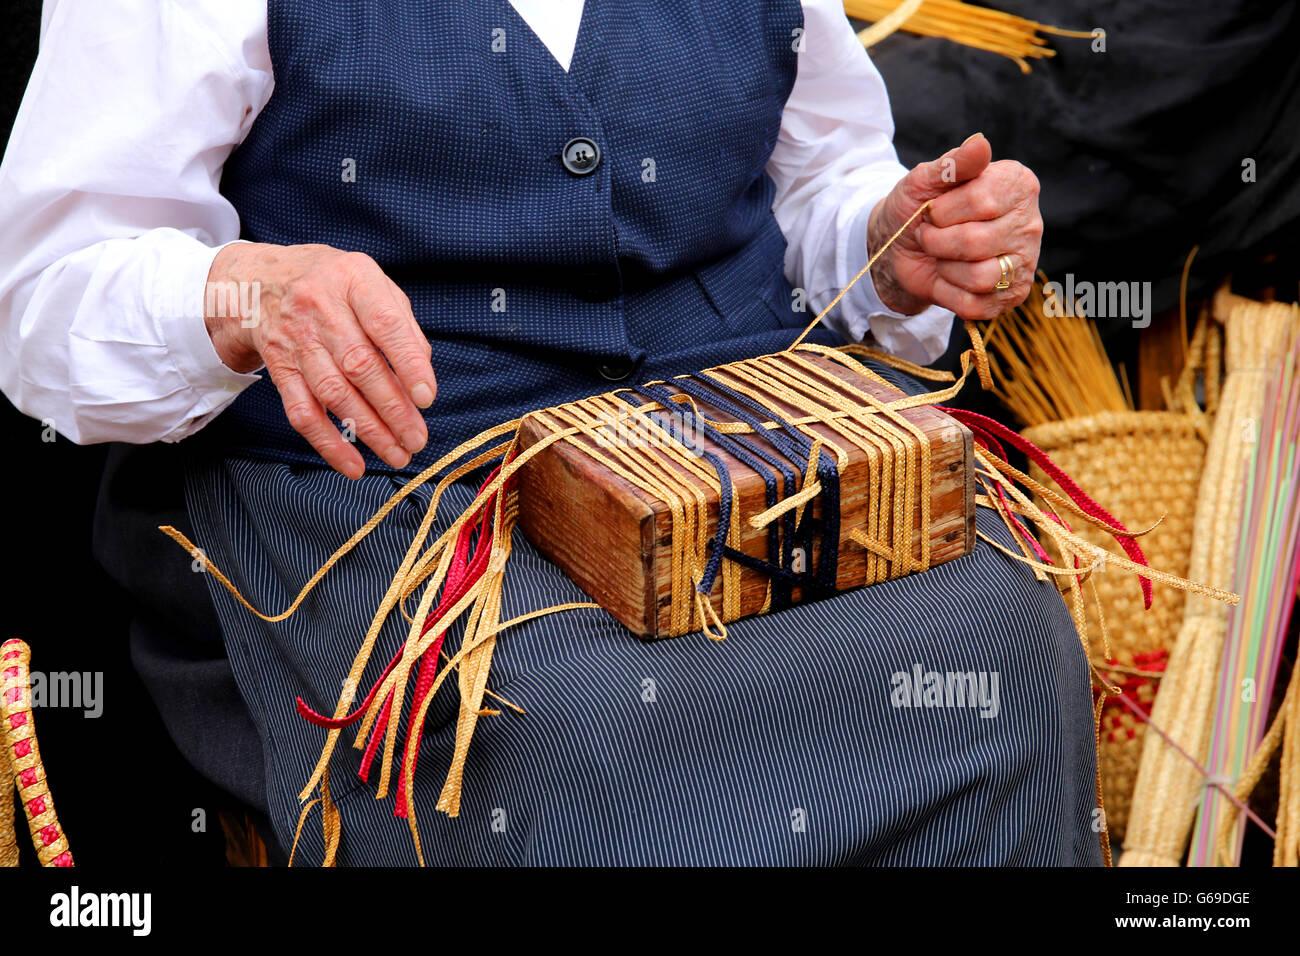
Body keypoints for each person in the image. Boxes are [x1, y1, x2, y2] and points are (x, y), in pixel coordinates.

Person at [0, 0, 1096, 865]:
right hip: (405, 478)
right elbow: (48, 295)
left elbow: (815, 182)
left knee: (1009, 627)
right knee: (581, 724)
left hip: (725, 445)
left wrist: (886, 237)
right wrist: (248, 293)